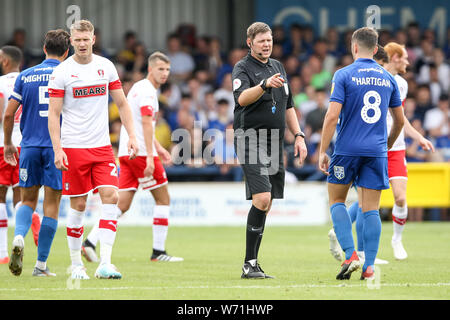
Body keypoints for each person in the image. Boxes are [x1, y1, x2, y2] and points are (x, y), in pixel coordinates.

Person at [47, 20, 138, 280]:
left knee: (111, 196)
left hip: (101, 148)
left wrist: (131, 135)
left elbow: (122, 104)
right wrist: (58, 148)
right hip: (73, 148)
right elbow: (53, 114)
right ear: (71, 42)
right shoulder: (62, 72)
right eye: (78, 40)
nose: (83, 43)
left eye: (86, 39)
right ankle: (76, 265)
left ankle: (106, 263)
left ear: (94, 39)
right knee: (78, 204)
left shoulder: (105, 67)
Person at [329, 43, 435, 264]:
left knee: (398, 197)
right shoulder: (382, 79)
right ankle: (362, 252)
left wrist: (416, 137)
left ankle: (392, 241)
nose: (407, 62)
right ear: (394, 58)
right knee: (369, 203)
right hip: (376, 147)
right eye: (404, 58)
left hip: (390, 148)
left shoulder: (401, 84)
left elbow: (400, 117)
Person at [318, 27, 405, 280]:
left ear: (354, 47)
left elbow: (332, 115)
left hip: (347, 149)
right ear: (377, 49)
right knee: (371, 209)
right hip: (376, 151)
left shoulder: (343, 74)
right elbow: (399, 121)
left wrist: (323, 150)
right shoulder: (387, 78)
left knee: (336, 201)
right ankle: (369, 268)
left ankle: (350, 255)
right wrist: (386, 145)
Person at [81, 51, 183, 263]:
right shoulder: (148, 92)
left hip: (128, 153)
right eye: (160, 69)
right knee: (163, 199)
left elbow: (139, 123)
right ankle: (158, 251)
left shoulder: (138, 88)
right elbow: (146, 123)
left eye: (167, 70)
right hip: (141, 154)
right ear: (150, 69)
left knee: (122, 204)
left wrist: (159, 147)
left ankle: (90, 241)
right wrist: (149, 156)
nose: (164, 74)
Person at [232, 22, 307, 279]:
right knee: (262, 198)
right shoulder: (242, 68)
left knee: (267, 202)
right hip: (249, 137)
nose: (267, 44)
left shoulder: (278, 67)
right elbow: (241, 99)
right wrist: (263, 85)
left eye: (270, 40)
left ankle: (252, 264)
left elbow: (288, 106)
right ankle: (248, 264)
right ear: (250, 42)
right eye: (262, 40)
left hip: (274, 141)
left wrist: (298, 135)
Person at [3, 31, 70, 277]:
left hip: (29, 147)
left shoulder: (26, 75)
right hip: (57, 148)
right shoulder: (68, 74)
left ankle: (19, 236)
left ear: (44, 48)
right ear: (66, 52)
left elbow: (8, 114)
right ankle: (41, 265)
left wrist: (9, 142)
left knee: (27, 200)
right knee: (51, 207)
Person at [0, 46, 41, 266]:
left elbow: (2, 115)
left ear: (5, 61)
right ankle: (33, 219)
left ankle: (2, 253)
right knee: (21, 197)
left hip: (3, 145)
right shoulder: (28, 80)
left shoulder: (1, 83)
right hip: (25, 144)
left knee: (0, 197)